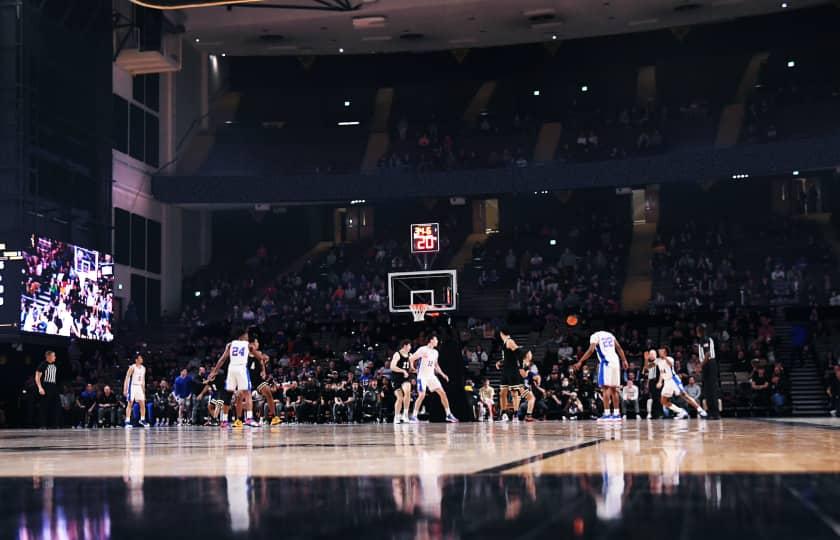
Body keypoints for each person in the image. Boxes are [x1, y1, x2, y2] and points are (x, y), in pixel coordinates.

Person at [574, 330, 629, 422]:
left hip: (606, 362)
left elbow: (591, 350)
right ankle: (616, 414)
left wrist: (580, 361)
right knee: (614, 388)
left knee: (605, 388)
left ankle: (607, 414)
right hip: (616, 361)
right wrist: (624, 360)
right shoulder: (610, 335)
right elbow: (619, 347)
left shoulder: (594, 336)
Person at [209, 329, 259, 428]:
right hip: (240, 369)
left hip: (230, 370)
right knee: (247, 393)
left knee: (227, 397)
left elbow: (222, 359)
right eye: (246, 336)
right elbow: (257, 355)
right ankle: (249, 418)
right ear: (241, 337)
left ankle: (224, 421)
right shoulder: (247, 345)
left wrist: (214, 371)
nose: (247, 338)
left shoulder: (230, 345)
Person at [409, 335, 458, 423]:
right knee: (422, 395)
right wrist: (412, 368)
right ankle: (414, 416)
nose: (437, 341)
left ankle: (448, 414)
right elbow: (411, 358)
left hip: (431, 376)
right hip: (422, 376)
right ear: (431, 340)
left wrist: (443, 374)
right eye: (436, 339)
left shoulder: (436, 352)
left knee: (443, 393)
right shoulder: (422, 349)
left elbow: (436, 365)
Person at [654, 348, 707, 419]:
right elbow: (659, 371)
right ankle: (681, 411)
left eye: (661, 351)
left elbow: (670, 364)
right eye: (659, 351)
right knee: (663, 401)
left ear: (665, 352)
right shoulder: (658, 361)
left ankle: (700, 410)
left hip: (673, 380)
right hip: (666, 382)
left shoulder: (670, 359)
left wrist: (665, 357)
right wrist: (660, 381)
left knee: (684, 395)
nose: (659, 352)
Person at [248, 338, 281, 426]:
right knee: (239, 398)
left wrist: (263, 371)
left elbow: (264, 359)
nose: (258, 343)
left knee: (268, 393)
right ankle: (241, 419)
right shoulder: (246, 353)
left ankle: (274, 417)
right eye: (256, 342)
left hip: (257, 379)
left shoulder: (259, 353)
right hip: (247, 378)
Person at [497, 329, 527, 421]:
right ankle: (504, 413)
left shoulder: (510, 341)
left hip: (512, 371)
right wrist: (500, 362)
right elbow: (509, 357)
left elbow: (520, 353)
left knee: (514, 393)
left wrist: (522, 368)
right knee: (502, 393)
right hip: (505, 370)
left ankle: (515, 414)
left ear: (501, 333)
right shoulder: (505, 342)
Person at [698, 325, 721, 419]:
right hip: (708, 364)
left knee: (711, 389)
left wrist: (700, 366)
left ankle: (714, 413)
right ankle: (711, 412)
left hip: (709, 364)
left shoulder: (705, 339)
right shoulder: (705, 339)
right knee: (708, 390)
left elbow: (708, 354)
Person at [34, 350, 60, 428]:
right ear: (48, 356)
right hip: (46, 386)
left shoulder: (55, 365)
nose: (55, 357)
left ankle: (55, 424)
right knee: (44, 406)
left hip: (54, 386)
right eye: (53, 355)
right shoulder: (43, 365)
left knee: (56, 406)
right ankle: (43, 424)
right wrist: (40, 387)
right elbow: (37, 377)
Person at [390, 340, 413, 424]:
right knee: (400, 398)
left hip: (405, 378)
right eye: (409, 346)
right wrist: (403, 371)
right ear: (405, 346)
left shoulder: (410, 355)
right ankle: (396, 417)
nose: (410, 348)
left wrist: (416, 370)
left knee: (408, 392)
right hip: (396, 379)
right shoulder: (397, 354)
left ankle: (405, 414)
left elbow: (411, 368)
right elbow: (392, 367)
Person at [123, 353, 149, 428]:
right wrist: (125, 389)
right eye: (140, 358)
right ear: (136, 360)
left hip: (139, 387)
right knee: (130, 403)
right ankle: (127, 421)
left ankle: (142, 419)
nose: (142, 359)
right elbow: (127, 378)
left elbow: (143, 380)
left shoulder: (144, 368)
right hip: (132, 386)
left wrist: (143, 391)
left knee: (142, 404)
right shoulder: (132, 367)